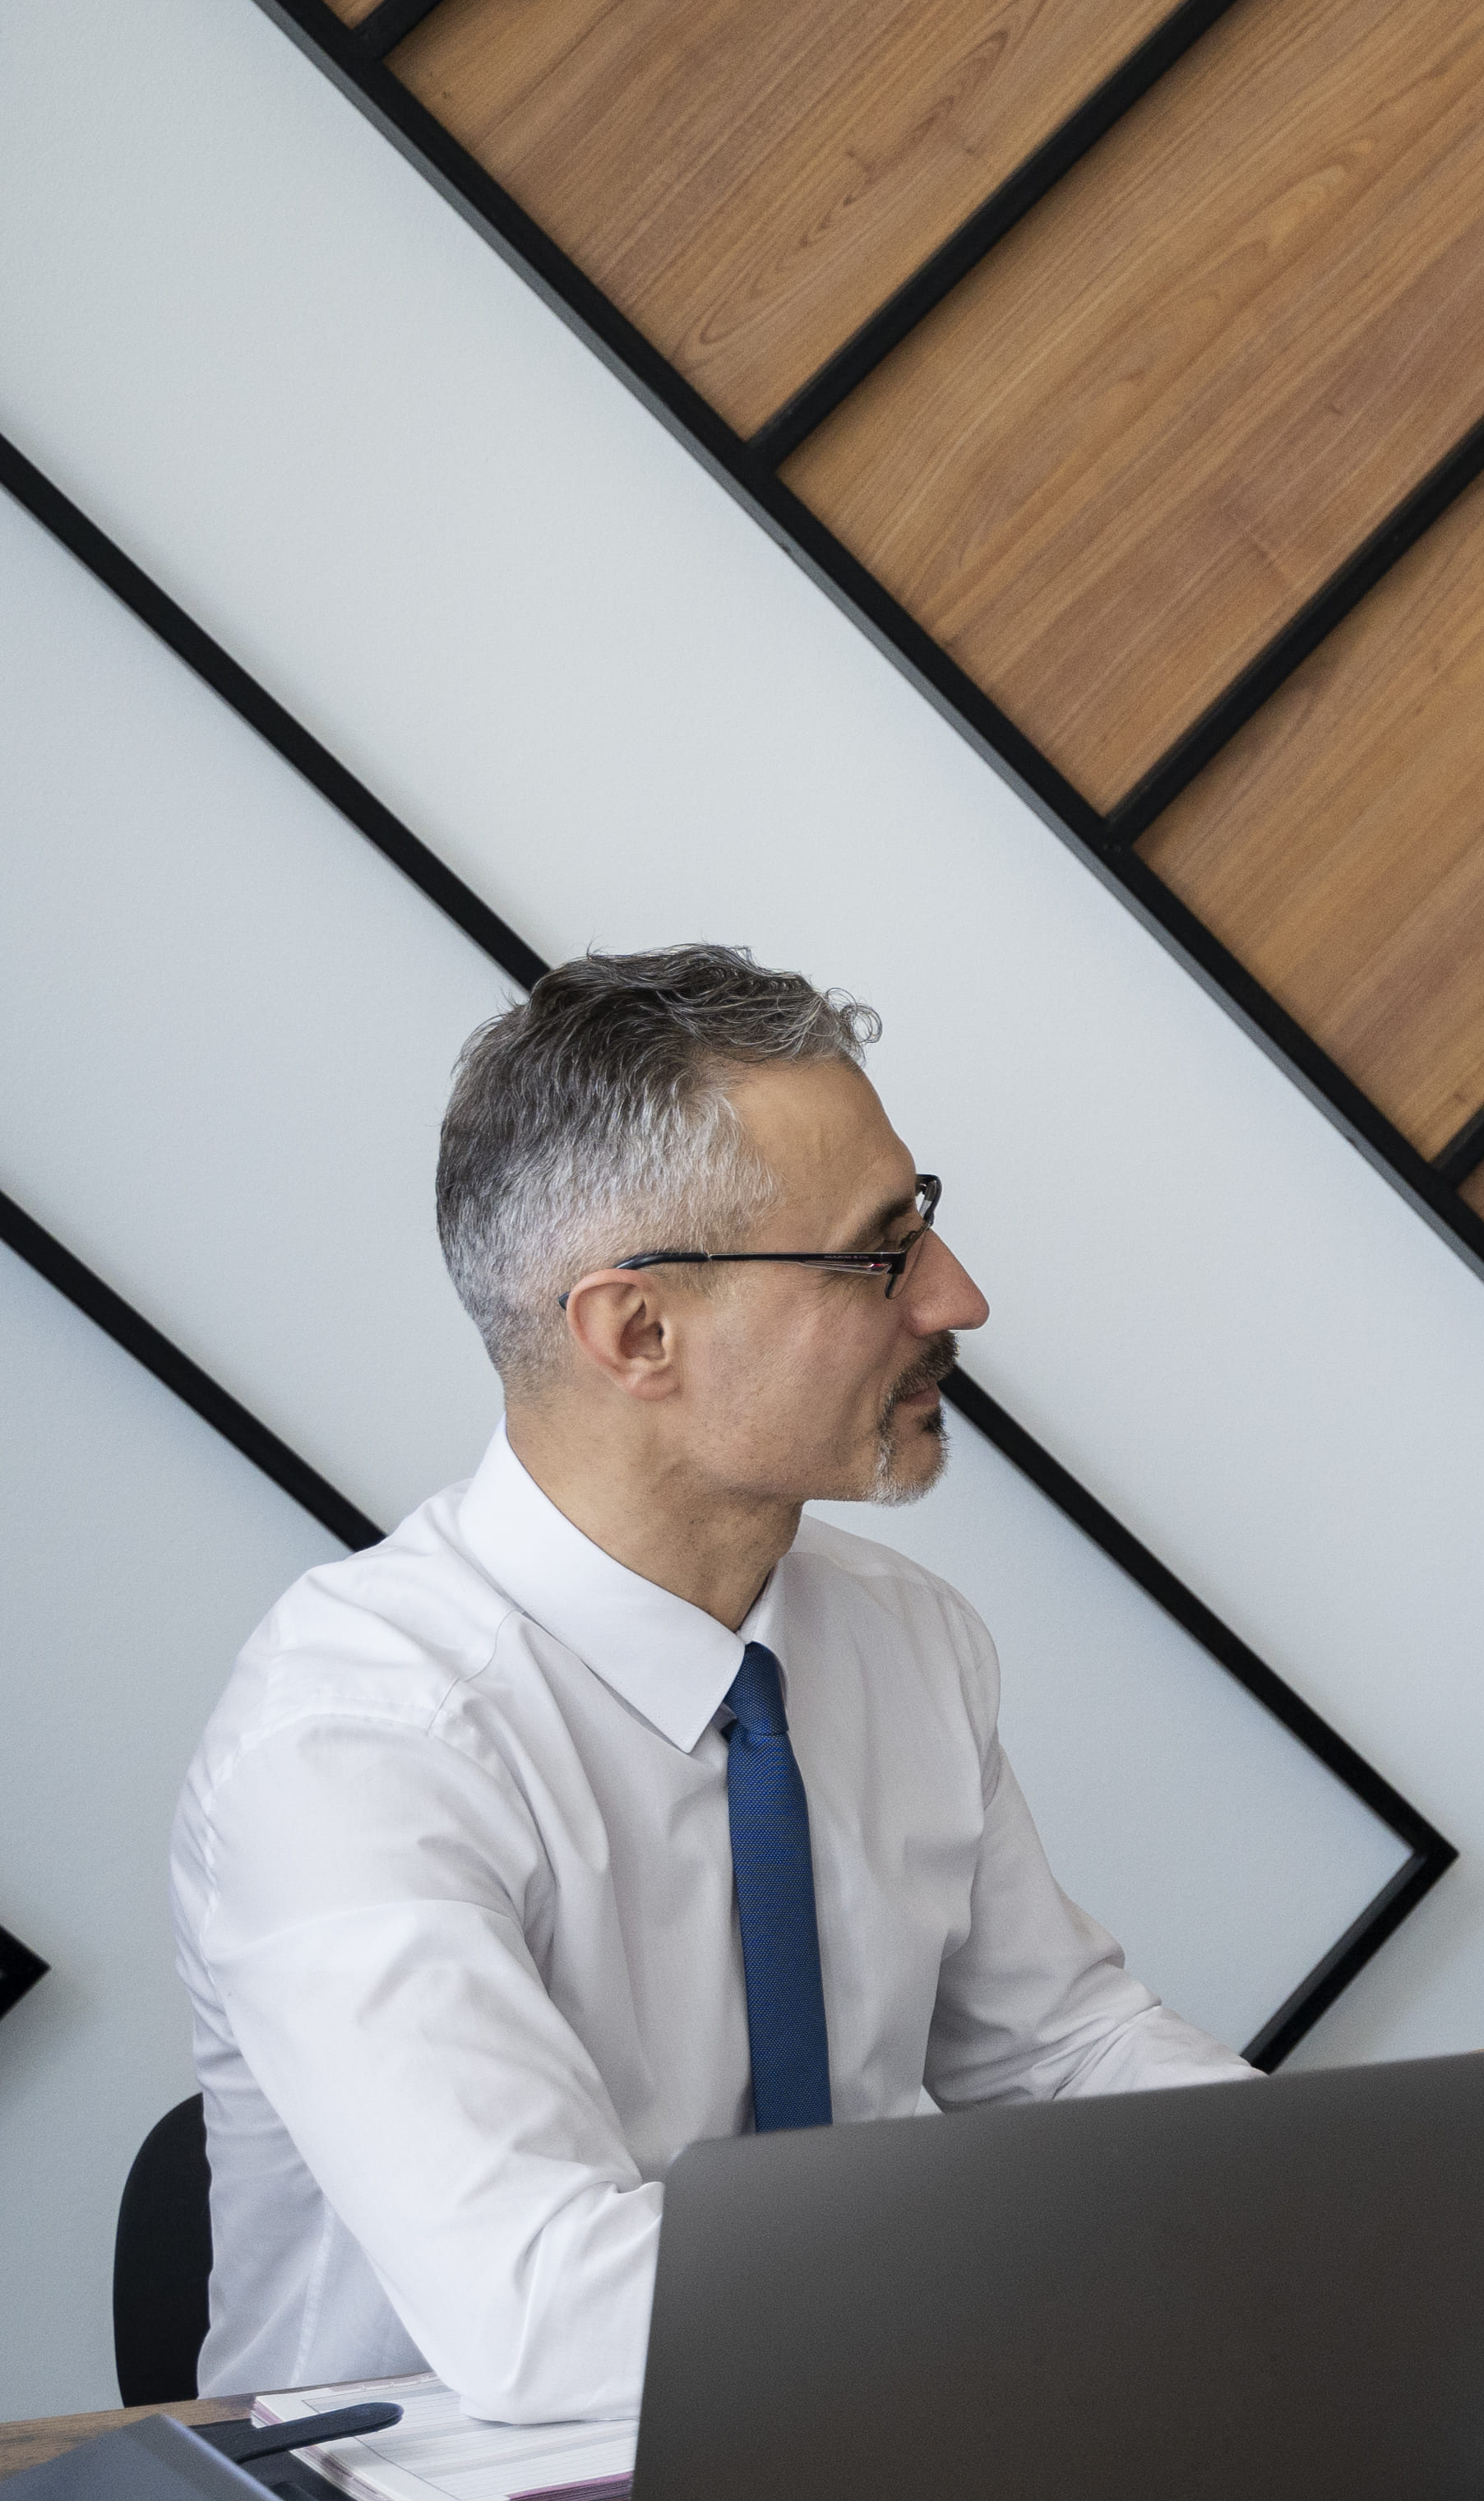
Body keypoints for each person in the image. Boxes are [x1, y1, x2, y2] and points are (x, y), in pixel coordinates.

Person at [173, 948, 1257, 2421]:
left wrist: (1338, 2203)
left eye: (925, 1224)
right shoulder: (357, 1743)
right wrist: (1063, 2257)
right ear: (639, 1333)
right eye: (880, 1255)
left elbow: (1064, 2053)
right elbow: (545, 2312)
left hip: (873, 2445)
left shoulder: (904, 1637)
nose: (958, 1297)